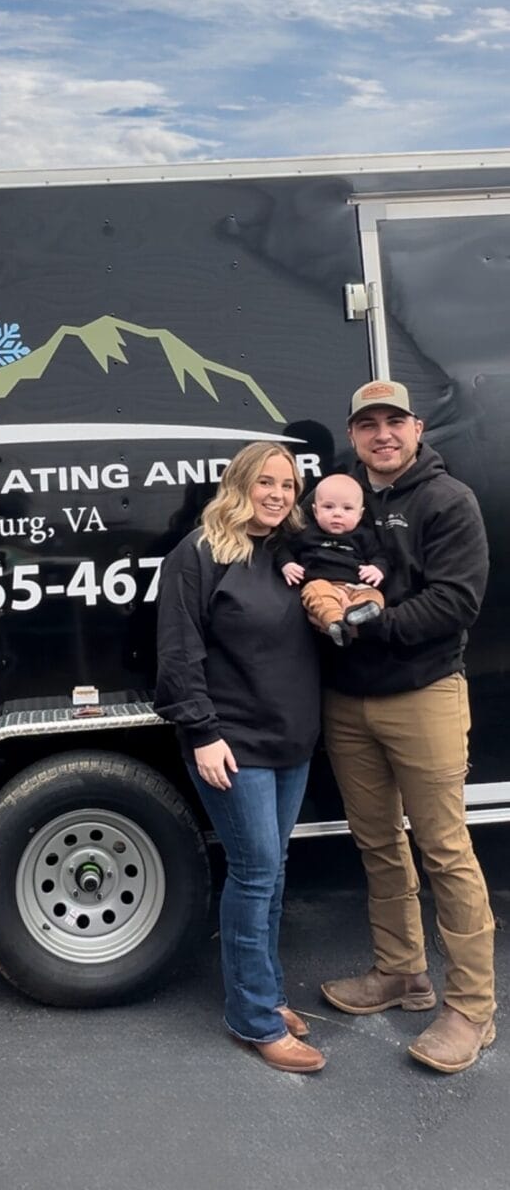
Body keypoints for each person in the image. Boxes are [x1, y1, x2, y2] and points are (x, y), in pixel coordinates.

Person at [319, 379, 495, 1074]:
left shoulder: (446, 501)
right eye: (368, 424)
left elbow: (456, 602)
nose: (382, 434)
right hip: (348, 702)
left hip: (422, 695)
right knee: (377, 845)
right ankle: (400, 974)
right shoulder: (344, 501)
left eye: (394, 421)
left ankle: (471, 1007)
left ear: (416, 429)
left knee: (444, 849)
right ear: (354, 433)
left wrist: (367, 624)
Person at [154, 442, 325, 1074]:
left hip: (291, 742)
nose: (279, 494)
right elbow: (177, 655)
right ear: (239, 484)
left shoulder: (288, 552)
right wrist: (202, 732)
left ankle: (270, 995)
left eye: (289, 484)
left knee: (273, 871)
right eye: (267, 483)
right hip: (235, 745)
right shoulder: (197, 556)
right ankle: (254, 1017)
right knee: (254, 874)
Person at [275, 472, 388, 645]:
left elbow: (379, 556)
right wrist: (287, 564)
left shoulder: (363, 536)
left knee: (374, 594)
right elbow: (282, 548)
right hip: (320, 582)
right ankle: (335, 623)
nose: (337, 514)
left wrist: (377, 568)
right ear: (315, 510)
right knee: (317, 595)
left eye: (347, 508)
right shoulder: (306, 533)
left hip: (355, 586)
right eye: (328, 507)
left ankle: (362, 611)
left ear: (360, 514)